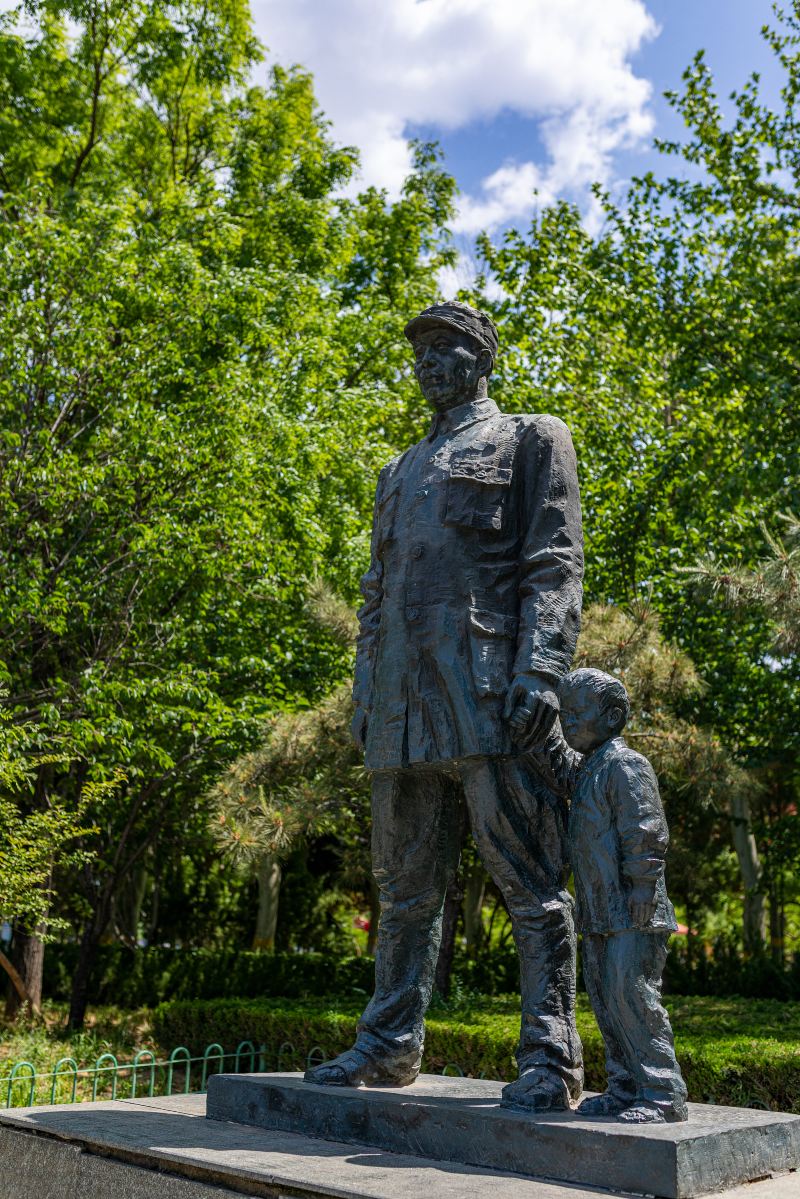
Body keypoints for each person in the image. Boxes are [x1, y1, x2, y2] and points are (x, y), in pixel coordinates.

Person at [305, 300, 585, 1111]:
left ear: (482, 358)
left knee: (529, 882)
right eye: (420, 351)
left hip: (489, 690)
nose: (428, 362)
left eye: (445, 348)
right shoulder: (397, 471)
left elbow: (555, 560)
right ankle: (388, 1042)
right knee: (403, 891)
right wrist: (364, 689)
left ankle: (550, 1053)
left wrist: (541, 668)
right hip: (399, 702)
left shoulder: (532, 437)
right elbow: (375, 590)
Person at [520, 667, 688, 1123]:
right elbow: (557, 769)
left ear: (613, 717)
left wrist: (641, 888)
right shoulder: (590, 769)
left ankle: (660, 1093)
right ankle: (624, 1086)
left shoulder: (626, 765)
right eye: (565, 714)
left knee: (632, 998)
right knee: (606, 1002)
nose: (568, 723)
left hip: (635, 912)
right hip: (598, 913)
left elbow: (646, 832)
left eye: (577, 713)